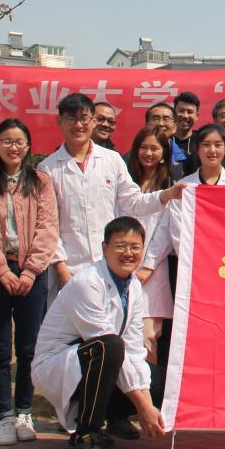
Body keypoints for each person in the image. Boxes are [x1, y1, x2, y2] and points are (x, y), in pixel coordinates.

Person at [32, 217, 166, 449]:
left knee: (161, 381)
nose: (128, 253)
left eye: (135, 247)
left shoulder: (134, 286)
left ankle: (113, 418)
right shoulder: (87, 283)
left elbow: (133, 350)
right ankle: (84, 442)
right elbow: (108, 344)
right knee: (110, 347)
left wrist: (148, 405)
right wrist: (142, 407)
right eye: (120, 246)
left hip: (96, 361)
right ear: (105, 248)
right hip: (58, 365)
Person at [38, 94, 185, 304]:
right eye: (71, 119)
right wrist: (61, 269)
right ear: (59, 121)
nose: (78, 125)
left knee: (110, 322)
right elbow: (48, 225)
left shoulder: (111, 160)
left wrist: (166, 195)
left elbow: (133, 203)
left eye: (84, 118)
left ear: (93, 121)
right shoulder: (48, 168)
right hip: (70, 267)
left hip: (108, 264)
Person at [0, 118, 59, 446]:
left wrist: (30, 271)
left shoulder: (40, 181)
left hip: (32, 274)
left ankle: (24, 413)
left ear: (28, 146)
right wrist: (2, 271)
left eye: (19, 141)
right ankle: (4, 417)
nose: (13, 147)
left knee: (29, 349)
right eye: (6, 141)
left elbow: (48, 228)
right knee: (0, 349)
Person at [143, 124, 225, 372]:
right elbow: (173, 231)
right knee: (194, 326)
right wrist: (148, 265)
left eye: (218, 145)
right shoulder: (184, 186)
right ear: (197, 150)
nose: (212, 150)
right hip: (193, 271)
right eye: (206, 145)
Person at [123, 126, 173, 382]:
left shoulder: (169, 186)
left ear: (164, 153)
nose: (149, 153)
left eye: (155, 148)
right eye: (144, 147)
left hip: (152, 271)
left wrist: (148, 266)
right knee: (123, 334)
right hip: (122, 266)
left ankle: (147, 390)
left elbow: (165, 231)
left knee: (148, 337)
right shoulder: (125, 182)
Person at [143, 102, 187, 182]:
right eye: (155, 119)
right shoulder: (131, 158)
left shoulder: (187, 159)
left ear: (175, 127)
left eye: (166, 119)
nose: (161, 124)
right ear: (146, 125)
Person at [172, 92, 200, 175]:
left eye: (190, 112)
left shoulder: (202, 140)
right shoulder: (164, 140)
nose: (185, 116)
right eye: (181, 111)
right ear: (173, 113)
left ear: (197, 116)